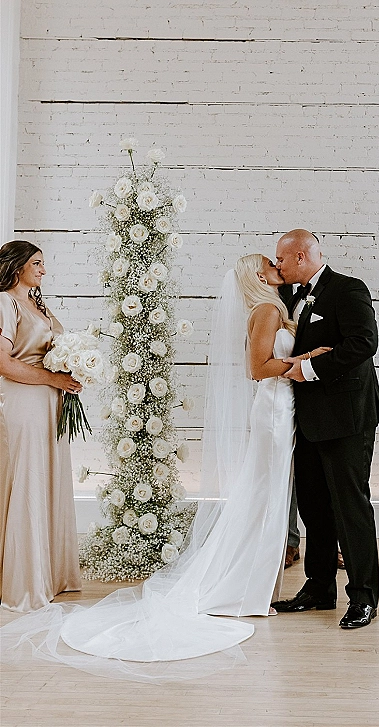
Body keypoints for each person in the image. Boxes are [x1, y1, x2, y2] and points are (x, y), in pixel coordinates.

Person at [2, 254, 328, 679]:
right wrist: (307, 363)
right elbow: (257, 368)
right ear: (258, 276)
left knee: (267, 495)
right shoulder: (267, 309)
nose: (279, 266)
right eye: (271, 263)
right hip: (271, 410)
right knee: (264, 495)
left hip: (278, 409)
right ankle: (244, 589)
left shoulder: (273, 308)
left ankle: (252, 585)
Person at [272, 230, 379, 629]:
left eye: (282, 260)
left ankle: (363, 597)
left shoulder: (348, 289)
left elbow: (363, 343)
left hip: (347, 418)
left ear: (301, 256)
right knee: (314, 509)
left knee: (350, 507)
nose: (278, 267)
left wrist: (308, 368)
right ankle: (319, 588)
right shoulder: (289, 298)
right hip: (305, 420)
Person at [0, 240, 82, 612]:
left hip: (48, 402)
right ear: (17, 266)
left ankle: (49, 574)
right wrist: (52, 380)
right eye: (37, 263)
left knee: (47, 479)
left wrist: (72, 368)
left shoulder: (38, 304)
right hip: (21, 402)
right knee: (28, 481)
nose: (43, 270)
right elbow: (3, 363)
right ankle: (22, 582)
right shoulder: (5, 302)